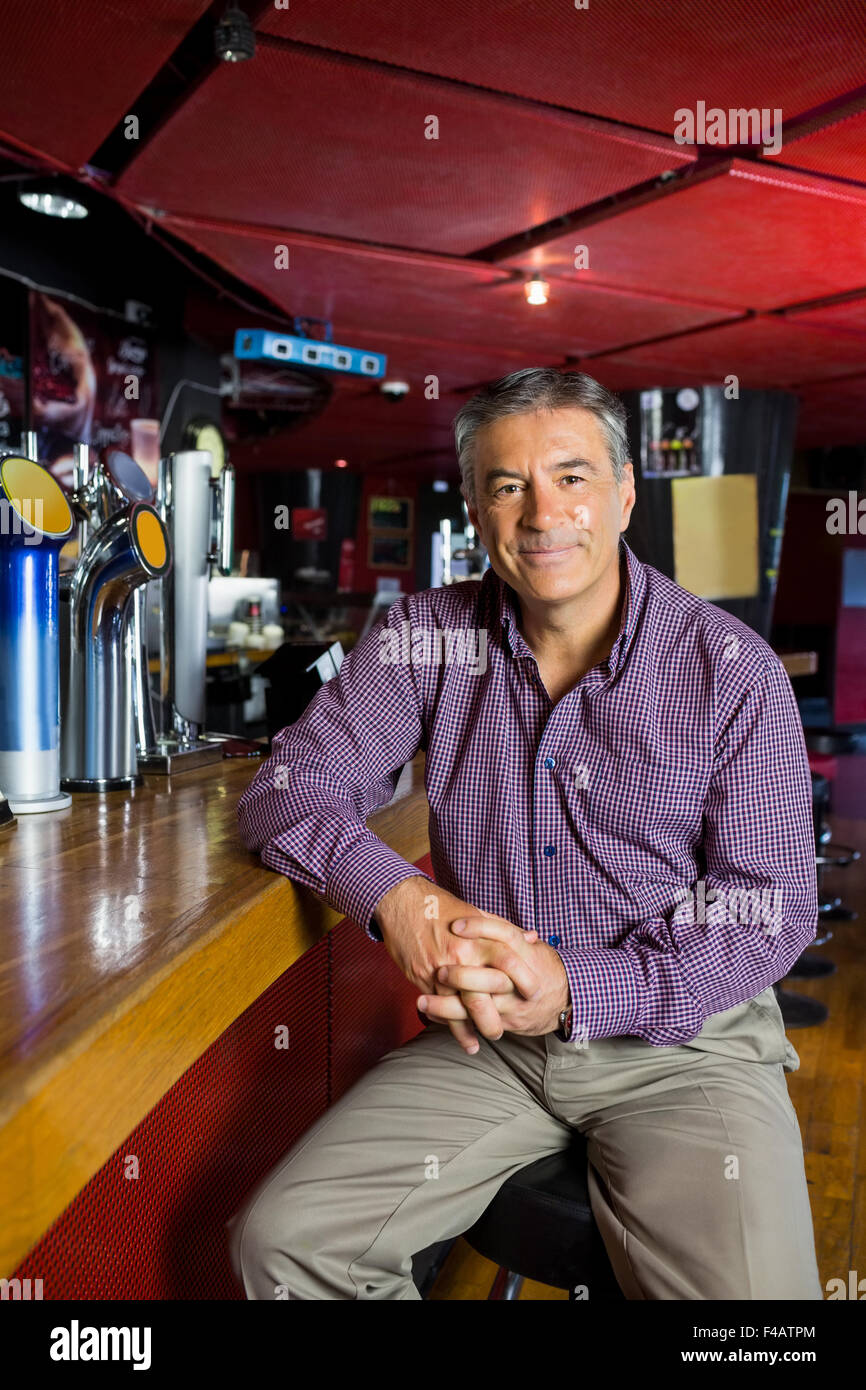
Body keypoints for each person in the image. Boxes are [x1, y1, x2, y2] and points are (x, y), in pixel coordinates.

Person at [227, 367, 823, 1300]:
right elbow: (286, 790)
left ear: (625, 494)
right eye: (508, 486)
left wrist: (579, 989)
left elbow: (768, 912)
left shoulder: (730, 670)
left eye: (573, 477)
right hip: (493, 1045)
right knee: (290, 1243)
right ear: (475, 509)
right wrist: (400, 900)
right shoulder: (429, 637)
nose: (544, 514)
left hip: (684, 1045)